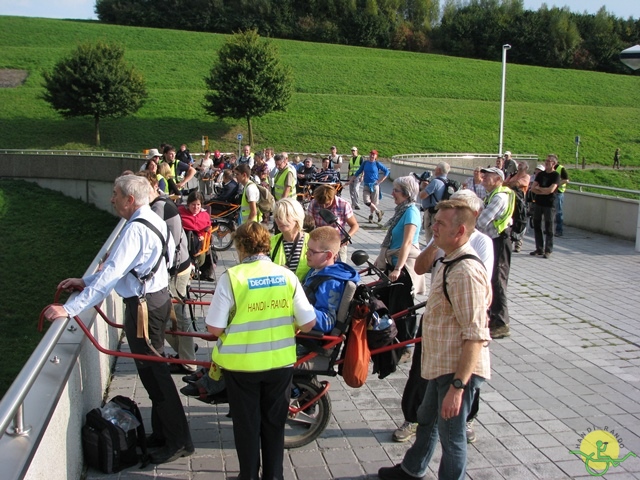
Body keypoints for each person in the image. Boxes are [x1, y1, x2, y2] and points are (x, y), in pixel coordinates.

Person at [44, 175, 193, 465]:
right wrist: (86, 281)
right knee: (154, 374)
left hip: (144, 308)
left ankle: (178, 441)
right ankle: (165, 435)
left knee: (156, 376)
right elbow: (126, 269)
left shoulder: (135, 230)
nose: (111, 199)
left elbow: (113, 273)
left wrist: (71, 309)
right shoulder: (152, 219)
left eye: (115, 194)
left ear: (130, 200)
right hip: (155, 301)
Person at [378, 199, 492, 480]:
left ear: (460, 230)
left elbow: (476, 336)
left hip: (456, 371)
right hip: (441, 364)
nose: (432, 227)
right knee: (426, 418)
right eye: (434, 221)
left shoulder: (465, 271)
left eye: (440, 223)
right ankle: (412, 469)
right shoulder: (449, 257)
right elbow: (421, 267)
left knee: (452, 438)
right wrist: (436, 242)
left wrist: (457, 387)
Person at [205, 222, 316, 480]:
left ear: (241, 246)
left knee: (247, 425)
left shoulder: (232, 277)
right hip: (280, 363)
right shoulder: (286, 276)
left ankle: (248, 476)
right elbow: (309, 322)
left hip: (241, 365)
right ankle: (274, 476)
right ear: (267, 244)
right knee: (274, 424)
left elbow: (213, 327)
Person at [138, 171, 198, 375]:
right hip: (177, 267)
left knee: (176, 318)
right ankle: (186, 351)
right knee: (170, 317)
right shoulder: (160, 204)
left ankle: (188, 360)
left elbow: (163, 244)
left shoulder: (160, 207)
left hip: (177, 270)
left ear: (153, 187)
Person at [375, 176, 426, 357]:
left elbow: (406, 243)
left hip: (404, 268)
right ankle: (391, 343)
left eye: (396, 190)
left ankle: (406, 347)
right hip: (393, 264)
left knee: (403, 309)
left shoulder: (411, 212)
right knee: (388, 305)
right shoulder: (401, 211)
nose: (392, 193)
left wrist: (398, 269)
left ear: (406, 193)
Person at [476, 167, 515, 340]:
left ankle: (501, 323)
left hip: (499, 240)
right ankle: (494, 318)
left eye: (488, 176)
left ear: (498, 179)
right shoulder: (493, 194)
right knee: (492, 279)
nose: (483, 177)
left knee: (497, 280)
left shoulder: (499, 197)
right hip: (495, 240)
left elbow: (483, 221)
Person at [302, 226, 360, 333]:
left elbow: (328, 321)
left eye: (312, 252)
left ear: (328, 255)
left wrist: (299, 306)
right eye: (307, 248)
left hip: (309, 338)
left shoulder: (331, 283)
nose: (307, 254)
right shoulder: (316, 269)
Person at [308, 184, 359, 262]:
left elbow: (354, 225)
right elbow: (309, 224)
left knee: (340, 268)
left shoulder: (344, 205)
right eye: (321, 204)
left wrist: (347, 237)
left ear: (332, 198)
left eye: (327, 204)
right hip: (319, 244)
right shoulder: (314, 203)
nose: (324, 206)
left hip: (338, 243)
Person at [270, 198, 311, 282]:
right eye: (277, 216)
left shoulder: (312, 241)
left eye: (285, 216)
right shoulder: (269, 243)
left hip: (306, 293)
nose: (280, 220)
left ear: (297, 216)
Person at [530, 154, 560, 259]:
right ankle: (539, 248)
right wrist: (544, 190)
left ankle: (548, 250)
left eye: (549, 161)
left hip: (549, 204)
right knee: (536, 225)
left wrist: (540, 189)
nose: (546, 163)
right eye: (546, 161)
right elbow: (533, 188)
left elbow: (551, 190)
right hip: (538, 203)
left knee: (549, 227)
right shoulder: (540, 174)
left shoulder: (556, 175)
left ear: (554, 164)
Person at [179, 191, 214, 281]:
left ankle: (192, 263)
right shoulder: (182, 213)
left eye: (198, 204)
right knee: (188, 233)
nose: (196, 207)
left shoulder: (204, 215)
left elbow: (208, 229)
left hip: (199, 241)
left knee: (192, 236)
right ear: (188, 204)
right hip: (184, 239)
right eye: (193, 204)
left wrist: (202, 235)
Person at [351, 149, 389, 223]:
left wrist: (380, 180)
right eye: (371, 154)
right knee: (367, 201)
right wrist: (350, 181)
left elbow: (387, 171)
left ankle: (371, 216)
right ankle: (378, 212)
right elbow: (358, 172)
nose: (372, 155)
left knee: (373, 202)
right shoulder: (365, 163)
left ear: (376, 156)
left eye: (373, 154)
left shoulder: (377, 163)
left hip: (374, 185)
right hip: (366, 185)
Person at [419, 161, 450, 243]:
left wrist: (422, 187)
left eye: (436, 168)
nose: (434, 170)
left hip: (431, 213)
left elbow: (422, 196)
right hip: (440, 211)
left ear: (439, 170)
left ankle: (430, 251)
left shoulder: (435, 182)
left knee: (430, 234)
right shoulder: (447, 181)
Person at [504, 162, 531, 253]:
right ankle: (509, 240)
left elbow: (516, 184)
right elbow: (504, 184)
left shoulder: (526, 176)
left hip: (520, 203)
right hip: (509, 200)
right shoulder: (512, 175)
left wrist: (510, 184)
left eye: (522, 164)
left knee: (519, 222)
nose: (520, 165)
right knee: (509, 221)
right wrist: (510, 184)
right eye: (519, 163)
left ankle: (518, 243)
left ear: (526, 167)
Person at [553, 159, 569, 237]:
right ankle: (550, 229)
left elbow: (566, 180)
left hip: (558, 192)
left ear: (554, 162)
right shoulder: (549, 169)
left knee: (558, 212)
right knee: (551, 212)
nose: (547, 162)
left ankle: (559, 230)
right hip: (551, 192)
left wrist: (557, 184)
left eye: (549, 160)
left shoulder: (560, 168)